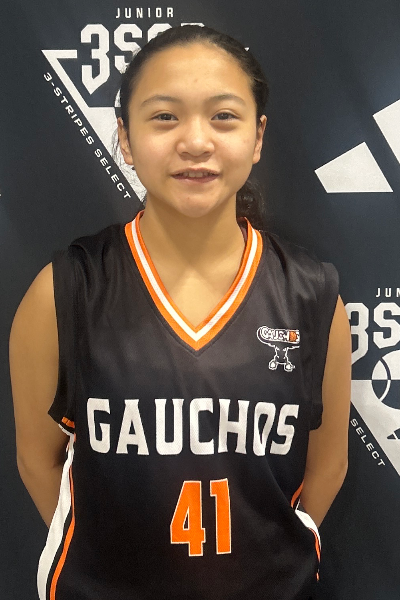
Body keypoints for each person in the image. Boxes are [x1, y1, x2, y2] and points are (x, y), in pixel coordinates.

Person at [9, 24, 351, 600]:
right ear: (124, 136)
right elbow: (36, 460)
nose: (196, 141)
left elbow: (327, 466)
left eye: (224, 116)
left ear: (258, 136)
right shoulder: (65, 290)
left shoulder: (312, 296)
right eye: (164, 116)